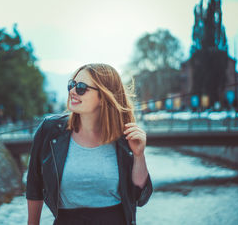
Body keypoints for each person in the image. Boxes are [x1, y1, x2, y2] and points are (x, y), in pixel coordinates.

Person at [26, 63, 152, 225]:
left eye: (81, 87)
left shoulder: (125, 137)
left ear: (104, 96)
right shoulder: (50, 130)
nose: (72, 91)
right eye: (71, 85)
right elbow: (34, 186)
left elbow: (139, 196)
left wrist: (139, 155)